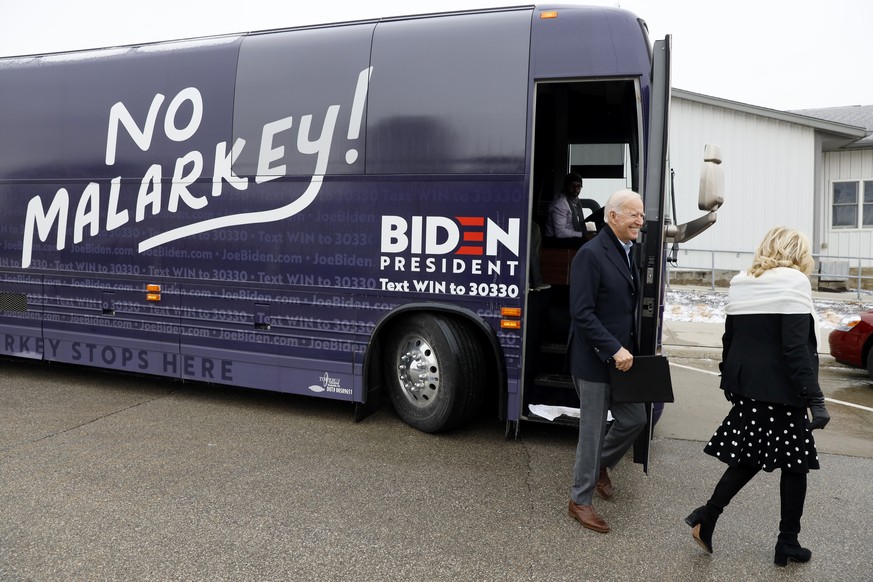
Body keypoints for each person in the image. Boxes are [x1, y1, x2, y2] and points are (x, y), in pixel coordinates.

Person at [684, 226, 830, 566]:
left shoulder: (743, 282)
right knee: (794, 465)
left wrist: (732, 383)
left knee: (750, 458)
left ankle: (709, 517)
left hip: (749, 389)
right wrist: (816, 399)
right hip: (782, 391)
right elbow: (795, 349)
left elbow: (729, 341)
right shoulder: (793, 282)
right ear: (797, 252)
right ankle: (786, 542)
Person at [566, 188, 646, 533]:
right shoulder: (590, 254)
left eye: (641, 215)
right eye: (634, 214)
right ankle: (579, 501)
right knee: (592, 431)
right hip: (596, 358)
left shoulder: (627, 251)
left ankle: (599, 466)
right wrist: (613, 349)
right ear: (612, 216)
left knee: (635, 419)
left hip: (622, 357)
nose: (640, 221)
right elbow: (582, 314)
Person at [545, 173, 590, 242]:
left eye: (578, 186)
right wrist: (583, 235)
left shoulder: (575, 202)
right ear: (566, 186)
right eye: (572, 185)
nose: (576, 189)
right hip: (555, 240)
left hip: (567, 237)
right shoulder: (560, 204)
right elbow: (560, 233)